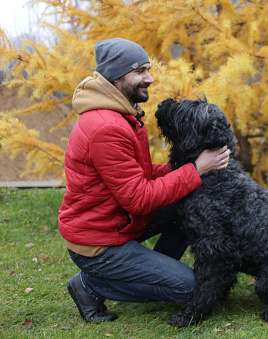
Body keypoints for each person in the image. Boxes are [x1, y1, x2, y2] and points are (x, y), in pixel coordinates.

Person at [58, 38, 230, 322]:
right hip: (99, 243)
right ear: (117, 76)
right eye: (140, 71)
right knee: (191, 288)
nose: (149, 78)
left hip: (116, 222)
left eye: (148, 70)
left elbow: (141, 175)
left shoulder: (123, 113)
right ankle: (89, 285)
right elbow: (139, 199)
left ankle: (157, 271)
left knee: (184, 205)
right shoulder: (106, 127)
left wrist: (189, 166)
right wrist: (196, 170)